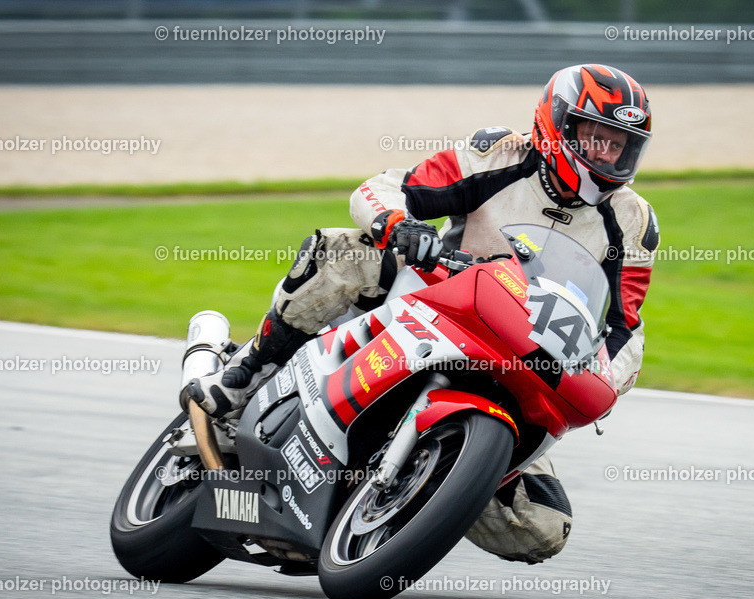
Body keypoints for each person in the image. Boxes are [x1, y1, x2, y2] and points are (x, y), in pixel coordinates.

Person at [184, 63, 659, 564]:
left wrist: (605, 377)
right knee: (347, 251)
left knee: (543, 527)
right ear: (556, 122)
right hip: (440, 300)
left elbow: (625, 326)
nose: (606, 154)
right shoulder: (499, 154)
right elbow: (383, 188)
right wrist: (399, 225)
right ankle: (247, 373)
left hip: (527, 359)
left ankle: (420, 491)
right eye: (595, 137)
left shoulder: (633, 221)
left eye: (620, 144)